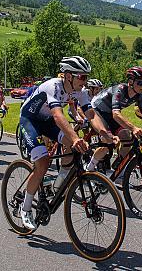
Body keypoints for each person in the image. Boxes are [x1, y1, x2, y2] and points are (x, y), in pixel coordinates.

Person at [17, 57, 111, 231]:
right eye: (82, 77)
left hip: (47, 121)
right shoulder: (53, 86)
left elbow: (91, 114)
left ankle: (60, 181)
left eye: (86, 78)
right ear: (69, 76)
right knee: (43, 163)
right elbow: (58, 116)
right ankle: (26, 207)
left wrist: (104, 133)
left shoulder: (80, 91)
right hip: (30, 120)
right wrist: (75, 138)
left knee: (73, 146)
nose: (85, 82)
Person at [85, 66, 142, 181]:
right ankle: (89, 168)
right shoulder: (120, 90)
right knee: (108, 142)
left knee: (127, 137)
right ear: (130, 82)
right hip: (98, 111)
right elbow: (116, 114)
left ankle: (119, 169)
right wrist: (134, 128)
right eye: (140, 83)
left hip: (110, 113)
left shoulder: (139, 95)